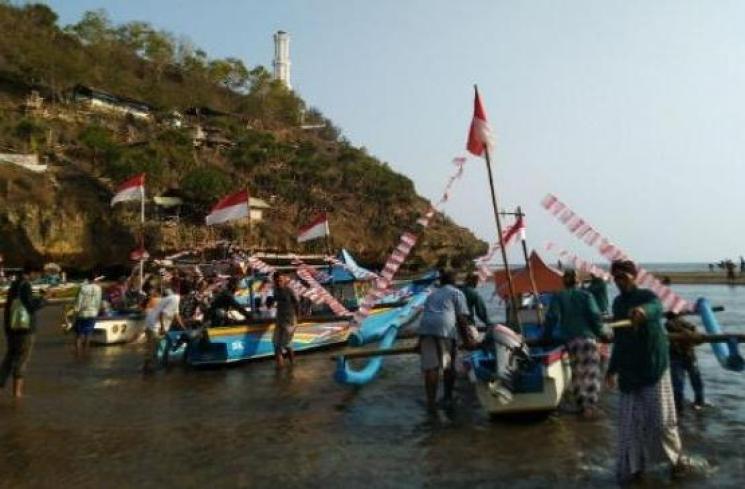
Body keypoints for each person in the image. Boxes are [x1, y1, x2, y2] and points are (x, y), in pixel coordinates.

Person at [605, 260, 691, 483]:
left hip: (653, 367)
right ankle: (636, 469)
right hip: (629, 372)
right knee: (630, 425)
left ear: (634, 277)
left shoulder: (646, 296)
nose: (619, 281)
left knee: (662, 422)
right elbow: (620, 341)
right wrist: (611, 370)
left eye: (623, 277)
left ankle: (677, 461)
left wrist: (642, 312)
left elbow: (656, 307)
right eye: (615, 278)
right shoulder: (617, 304)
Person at [544, 270, 606, 419]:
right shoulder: (586, 296)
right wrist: (602, 333)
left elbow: (552, 318)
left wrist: (546, 336)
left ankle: (581, 407)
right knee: (591, 374)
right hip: (587, 340)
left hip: (571, 342)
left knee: (578, 374)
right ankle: (589, 408)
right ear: (577, 281)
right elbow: (595, 316)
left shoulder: (558, 296)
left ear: (564, 282)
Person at [417, 269, 476, 413]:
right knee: (448, 365)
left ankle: (431, 403)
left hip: (425, 329)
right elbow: (462, 319)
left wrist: (419, 343)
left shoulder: (432, 294)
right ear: (454, 282)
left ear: (441, 282)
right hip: (444, 329)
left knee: (431, 367)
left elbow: (427, 316)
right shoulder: (456, 293)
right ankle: (447, 398)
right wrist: (468, 341)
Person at [1, 264, 47, 398]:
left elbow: (9, 307)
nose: (38, 277)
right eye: (38, 274)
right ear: (32, 272)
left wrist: (7, 328)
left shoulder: (14, 284)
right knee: (22, 360)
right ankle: (17, 394)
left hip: (12, 327)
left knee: (9, 358)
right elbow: (31, 307)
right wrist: (43, 299)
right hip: (25, 329)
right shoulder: (25, 285)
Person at [665, 312, 705, 413]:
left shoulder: (683, 324)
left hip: (685, 356)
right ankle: (695, 403)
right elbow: (695, 335)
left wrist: (688, 332)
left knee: (682, 383)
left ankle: (682, 406)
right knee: (687, 382)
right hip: (682, 356)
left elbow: (696, 336)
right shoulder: (671, 325)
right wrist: (688, 332)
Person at [143, 288, 184, 373]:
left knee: (151, 347)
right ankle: (149, 369)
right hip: (154, 325)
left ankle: (147, 367)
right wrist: (162, 327)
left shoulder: (173, 299)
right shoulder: (175, 299)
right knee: (154, 347)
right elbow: (162, 313)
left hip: (150, 323)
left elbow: (176, 315)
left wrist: (183, 327)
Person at [272, 272, 300, 369]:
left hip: (289, 321)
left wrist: (297, 319)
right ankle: (280, 367)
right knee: (276, 344)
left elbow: (297, 304)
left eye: (280, 280)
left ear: (284, 280)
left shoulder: (289, 290)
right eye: (276, 280)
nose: (278, 282)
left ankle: (293, 363)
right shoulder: (275, 290)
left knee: (286, 345)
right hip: (279, 320)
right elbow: (274, 302)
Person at [72, 271, 103, 358]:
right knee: (88, 333)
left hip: (83, 313)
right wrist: (97, 311)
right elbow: (98, 301)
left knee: (79, 335)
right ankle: (86, 352)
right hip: (93, 313)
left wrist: (75, 312)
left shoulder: (83, 288)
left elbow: (79, 301)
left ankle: (78, 354)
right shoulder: (99, 288)